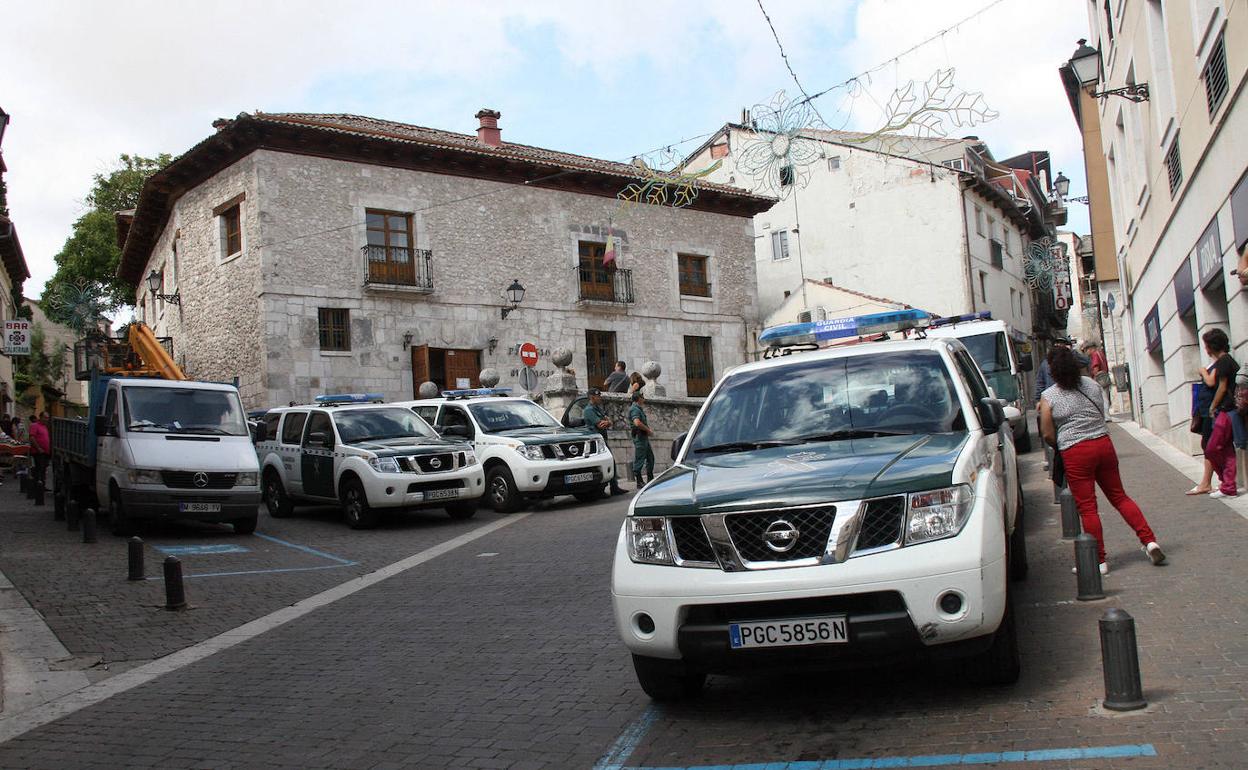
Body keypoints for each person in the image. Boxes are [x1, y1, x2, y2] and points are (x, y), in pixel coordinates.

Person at [1040, 346, 1164, 574]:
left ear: (1053, 370)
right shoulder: (1092, 385)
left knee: (1088, 508)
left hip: (1075, 452)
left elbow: (1047, 432)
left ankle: (1099, 560)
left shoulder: (1049, 396)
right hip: (1103, 444)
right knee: (1119, 496)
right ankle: (1149, 541)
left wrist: (1061, 442)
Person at [1186, 329, 1240, 498]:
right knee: (1222, 448)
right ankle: (1227, 484)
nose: (1206, 349)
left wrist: (1213, 406)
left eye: (1206, 346)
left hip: (1226, 411)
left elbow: (1222, 387)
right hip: (1226, 411)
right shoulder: (1224, 361)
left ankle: (1227, 484)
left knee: (1212, 447)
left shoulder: (1223, 362)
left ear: (1212, 346)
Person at [583, 388, 628, 497]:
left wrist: (607, 422)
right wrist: (607, 422)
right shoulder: (589, 410)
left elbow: (608, 421)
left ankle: (614, 487)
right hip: (596, 442)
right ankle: (601, 490)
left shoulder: (598, 408)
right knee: (601, 465)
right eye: (597, 396)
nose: (600, 398)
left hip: (603, 440)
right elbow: (600, 424)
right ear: (592, 397)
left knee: (611, 462)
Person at [628, 391, 655, 487]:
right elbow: (637, 423)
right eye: (642, 397)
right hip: (639, 437)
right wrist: (648, 430)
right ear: (638, 398)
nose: (644, 399)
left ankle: (650, 479)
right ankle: (639, 481)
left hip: (643, 437)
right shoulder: (635, 409)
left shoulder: (638, 409)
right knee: (639, 459)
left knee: (650, 458)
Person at [1085, 341, 1113, 419]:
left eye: (1086, 350)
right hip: (1105, 377)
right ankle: (1107, 415)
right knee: (1105, 396)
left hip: (1100, 379)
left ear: (1090, 349)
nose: (1086, 352)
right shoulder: (1100, 353)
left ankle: (1106, 416)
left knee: (1103, 398)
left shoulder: (1095, 355)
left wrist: (1094, 378)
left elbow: (1095, 367)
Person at [28, 411, 51, 494]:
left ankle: (42, 486)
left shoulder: (45, 426)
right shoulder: (34, 426)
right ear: (40, 417)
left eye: (48, 418)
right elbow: (32, 438)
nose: (47, 419)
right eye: (45, 417)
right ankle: (37, 487)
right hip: (38, 452)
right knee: (39, 469)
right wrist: (38, 448)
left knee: (43, 469)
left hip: (45, 452)